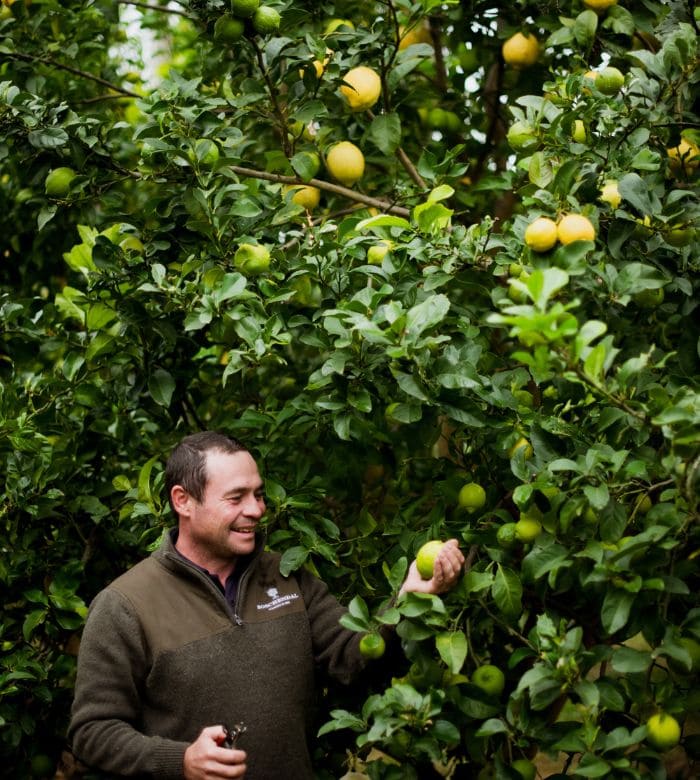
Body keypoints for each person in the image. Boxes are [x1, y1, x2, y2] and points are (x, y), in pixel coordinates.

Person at [69, 431, 465, 779]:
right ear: (183, 501)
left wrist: (411, 598)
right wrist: (180, 761)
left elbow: (353, 656)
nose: (256, 509)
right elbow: (93, 733)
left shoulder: (287, 574)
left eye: (258, 494)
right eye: (236, 497)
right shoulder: (126, 604)